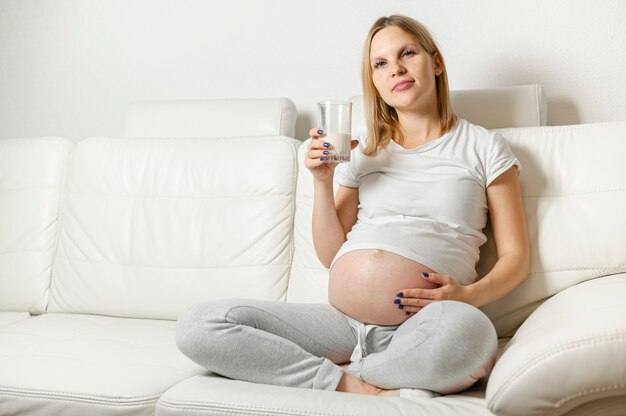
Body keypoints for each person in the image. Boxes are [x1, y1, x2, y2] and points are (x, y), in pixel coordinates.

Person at [175, 14, 530, 398]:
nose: (396, 69)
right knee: (200, 323)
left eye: (407, 53)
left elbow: (516, 256)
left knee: (471, 336)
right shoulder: (361, 151)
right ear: (374, 82)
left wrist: (468, 296)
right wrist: (323, 182)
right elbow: (331, 254)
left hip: (423, 323)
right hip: (339, 325)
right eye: (381, 64)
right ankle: (348, 382)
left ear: (436, 62)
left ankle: (357, 369)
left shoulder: (483, 146)